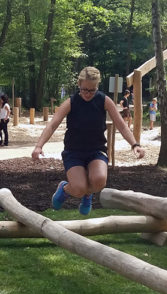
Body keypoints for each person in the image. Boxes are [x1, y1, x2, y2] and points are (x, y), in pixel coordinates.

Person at [31, 66, 144, 215]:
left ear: (97, 86)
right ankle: (65, 189)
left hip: (96, 150)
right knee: (79, 189)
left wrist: (135, 144)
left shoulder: (104, 100)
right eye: (84, 89)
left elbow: (121, 125)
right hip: (74, 151)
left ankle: (88, 194)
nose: (88, 94)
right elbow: (52, 125)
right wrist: (39, 146)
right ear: (79, 85)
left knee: (99, 181)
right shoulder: (71, 102)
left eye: (92, 90)